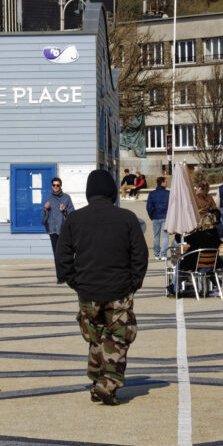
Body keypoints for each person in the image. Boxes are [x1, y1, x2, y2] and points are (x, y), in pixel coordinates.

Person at [55, 169, 148, 404]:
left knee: (96, 338)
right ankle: (107, 383)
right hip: (119, 291)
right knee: (118, 337)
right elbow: (140, 255)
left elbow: (62, 256)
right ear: (111, 192)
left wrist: (75, 282)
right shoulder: (127, 218)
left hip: (87, 292)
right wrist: (133, 283)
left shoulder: (74, 220)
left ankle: (98, 382)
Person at [41, 177, 76, 282]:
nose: (56, 187)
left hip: (64, 231)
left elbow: (72, 214)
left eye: (57, 185)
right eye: (54, 185)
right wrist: (45, 209)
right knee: (57, 255)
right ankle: (60, 277)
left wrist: (65, 210)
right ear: (52, 186)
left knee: (65, 254)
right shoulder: (49, 198)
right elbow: (43, 219)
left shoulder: (66, 198)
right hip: (53, 231)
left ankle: (68, 275)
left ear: (61, 186)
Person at [146, 176, 171, 259]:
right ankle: (163, 254)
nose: (167, 183)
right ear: (162, 183)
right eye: (166, 182)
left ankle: (156, 254)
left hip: (155, 217)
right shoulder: (168, 193)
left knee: (156, 236)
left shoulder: (152, 194)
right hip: (165, 216)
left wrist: (151, 216)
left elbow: (148, 207)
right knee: (165, 237)